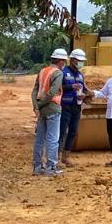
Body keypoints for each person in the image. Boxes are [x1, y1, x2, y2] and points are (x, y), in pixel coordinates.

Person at [31, 47, 68, 176]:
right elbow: (52, 92)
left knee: (40, 138)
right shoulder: (58, 73)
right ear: (60, 61)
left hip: (42, 109)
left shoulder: (42, 71)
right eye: (64, 61)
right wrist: (40, 104)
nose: (64, 64)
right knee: (53, 138)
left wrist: (36, 106)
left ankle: (37, 166)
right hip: (52, 107)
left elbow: (35, 90)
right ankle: (51, 167)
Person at [58, 48, 87, 167]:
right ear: (72, 60)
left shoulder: (80, 75)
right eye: (78, 60)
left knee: (73, 131)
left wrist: (84, 95)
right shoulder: (63, 73)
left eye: (81, 61)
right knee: (62, 131)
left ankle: (66, 156)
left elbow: (84, 88)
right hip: (65, 106)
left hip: (77, 107)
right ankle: (57, 157)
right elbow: (58, 88)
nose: (80, 63)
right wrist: (70, 87)